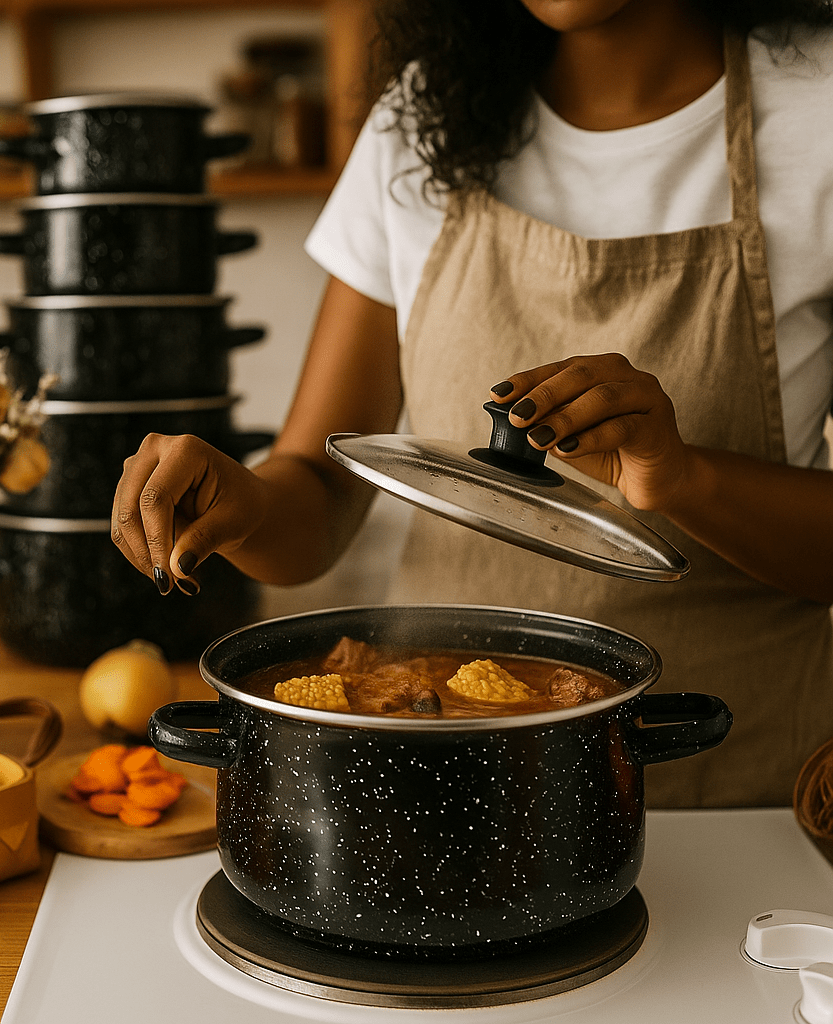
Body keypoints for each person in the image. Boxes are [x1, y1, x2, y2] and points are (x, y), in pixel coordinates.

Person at [113, 0, 833, 809]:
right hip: (440, 797)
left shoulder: (819, 104)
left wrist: (684, 480)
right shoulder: (422, 118)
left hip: (744, 794)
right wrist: (242, 505)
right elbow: (316, 494)